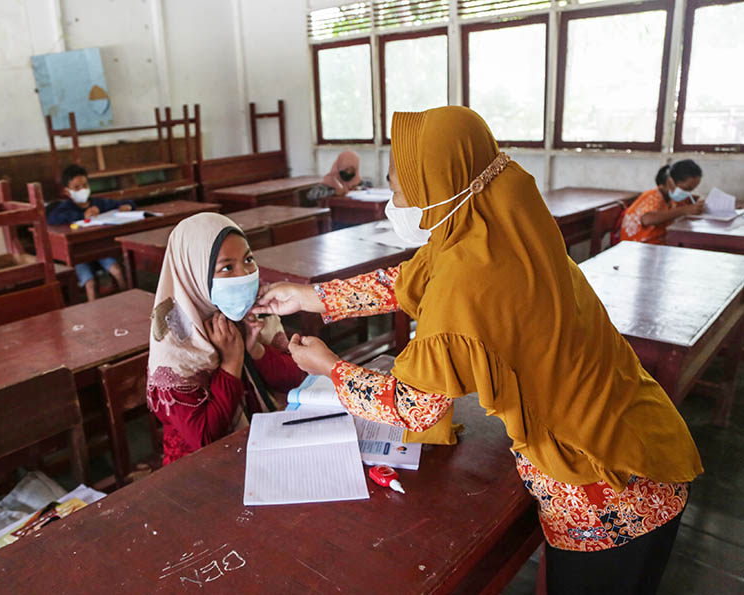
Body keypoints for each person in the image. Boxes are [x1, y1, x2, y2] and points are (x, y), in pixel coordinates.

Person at [255, 106, 702, 594]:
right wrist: (313, 297)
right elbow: (411, 278)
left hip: (606, 486)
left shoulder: (469, 281)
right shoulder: (498, 216)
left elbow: (414, 405)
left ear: (440, 187)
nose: (392, 203)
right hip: (643, 432)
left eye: (400, 190)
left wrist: (329, 368)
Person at [146, 213, 305, 466]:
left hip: (266, 446)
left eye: (248, 260)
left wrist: (254, 351)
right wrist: (231, 362)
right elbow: (205, 439)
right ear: (194, 273)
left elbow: (296, 380)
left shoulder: (253, 314)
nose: (244, 275)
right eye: (227, 268)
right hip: (201, 472)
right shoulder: (176, 342)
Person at [46, 164, 133, 301]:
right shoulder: (64, 208)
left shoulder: (97, 203)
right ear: (67, 191)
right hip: (78, 253)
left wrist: (127, 206)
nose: (82, 190)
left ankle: (130, 300)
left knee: (117, 271)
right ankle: (93, 313)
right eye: (76, 187)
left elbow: (125, 202)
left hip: (100, 248)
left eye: (85, 185)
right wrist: (82, 216)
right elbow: (51, 218)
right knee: (90, 283)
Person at [620, 160, 704, 244]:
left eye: (691, 190)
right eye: (686, 189)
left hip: (657, 243)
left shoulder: (673, 198)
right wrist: (685, 210)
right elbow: (647, 219)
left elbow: (690, 203)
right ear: (670, 182)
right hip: (637, 246)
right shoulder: (652, 196)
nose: (687, 193)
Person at [306, 150, 372, 202]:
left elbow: (369, 184)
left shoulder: (356, 181)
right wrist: (334, 192)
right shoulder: (331, 181)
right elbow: (311, 195)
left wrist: (358, 188)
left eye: (352, 170)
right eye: (346, 169)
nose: (349, 173)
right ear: (339, 167)